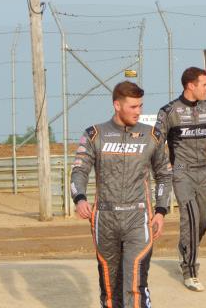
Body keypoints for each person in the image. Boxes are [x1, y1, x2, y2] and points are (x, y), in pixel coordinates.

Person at [70, 81, 172, 308]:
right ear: (117, 105)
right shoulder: (94, 134)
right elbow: (78, 171)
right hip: (104, 219)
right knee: (109, 288)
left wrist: (161, 211)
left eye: (140, 106)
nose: (139, 112)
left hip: (139, 218)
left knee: (134, 284)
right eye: (133, 107)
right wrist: (80, 199)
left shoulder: (152, 136)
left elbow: (164, 175)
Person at [155, 67, 206, 292]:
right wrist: (163, 165)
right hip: (181, 171)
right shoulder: (169, 111)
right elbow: (156, 143)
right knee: (189, 216)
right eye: (205, 85)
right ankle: (190, 271)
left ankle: (185, 247)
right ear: (191, 85)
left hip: (204, 172)